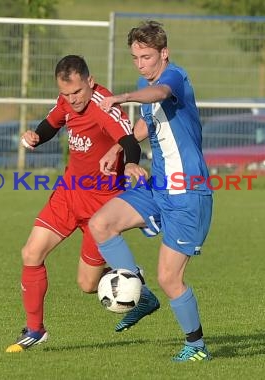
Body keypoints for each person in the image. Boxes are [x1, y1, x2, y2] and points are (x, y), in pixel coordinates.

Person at [5, 55, 156, 353]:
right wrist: (37, 136)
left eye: (77, 92)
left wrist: (129, 165)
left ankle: (134, 280)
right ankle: (35, 329)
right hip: (69, 193)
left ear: (90, 80)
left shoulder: (105, 106)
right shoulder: (65, 101)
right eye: (66, 94)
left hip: (101, 208)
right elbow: (51, 124)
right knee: (31, 252)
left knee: (88, 285)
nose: (72, 100)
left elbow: (127, 141)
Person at [89, 20, 214, 362]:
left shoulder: (174, 78)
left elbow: (159, 94)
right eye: (135, 58)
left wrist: (125, 97)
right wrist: (118, 149)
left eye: (146, 56)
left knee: (170, 278)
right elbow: (146, 123)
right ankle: (140, 294)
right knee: (101, 224)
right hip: (158, 188)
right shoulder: (147, 86)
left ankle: (197, 346)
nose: (140, 63)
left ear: (164, 53)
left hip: (188, 193)